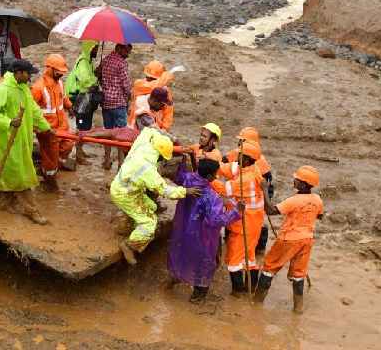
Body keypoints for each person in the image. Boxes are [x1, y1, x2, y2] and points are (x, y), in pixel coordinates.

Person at [110, 127, 198, 265]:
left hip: (124, 184)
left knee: (152, 206)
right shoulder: (148, 169)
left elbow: (150, 129)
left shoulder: (145, 141)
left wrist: (172, 139)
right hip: (125, 194)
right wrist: (185, 191)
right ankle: (130, 245)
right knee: (150, 223)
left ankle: (131, 224)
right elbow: (165, 191)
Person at [0, 59, 52, 224]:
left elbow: (33, 109)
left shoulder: (22, 88)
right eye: (28, 74)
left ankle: (4, 204)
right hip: (6, 140)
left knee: (11, 175)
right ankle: (32, 210)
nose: (30, 78)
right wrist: (9, 122)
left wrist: (46, 127)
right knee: (22, 176)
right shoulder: (2, 89)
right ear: (19, 72)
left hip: (21, 139)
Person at [167, 158, 241, 303]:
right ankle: (198, 296)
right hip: (202, 236)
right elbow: (217, 220)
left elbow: (177, 175)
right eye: (215, 175)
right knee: (205, 263)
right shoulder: (211, 197)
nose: (216, 177)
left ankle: (174, 279)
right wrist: (236, 211)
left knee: (180, 253)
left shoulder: (187, 179)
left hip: (183, 230)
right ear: (209, 177)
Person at [258, 165, 324, 313]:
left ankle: (256, 303)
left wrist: (264, 190)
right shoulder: (317, 199)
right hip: (307, 240)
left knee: (269, 267)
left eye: (297, 179)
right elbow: (320, 215)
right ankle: (298, 308)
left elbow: (270, 210)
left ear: (304, 183)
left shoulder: (293, 200)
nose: (294, 180)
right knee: (299, 274)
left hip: (289, 239)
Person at [212, 135, 267, 295]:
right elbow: (229, 169)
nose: (237, 158)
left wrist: (208, 179)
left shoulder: (247, 178)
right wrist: (213, 164)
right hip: (253, 224)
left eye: (240, 156)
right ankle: (252, 287)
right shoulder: (252, 168)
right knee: (249, 257)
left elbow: (224, 190)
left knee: (234, 260)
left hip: (244, 225)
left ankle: (238, 291)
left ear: (248, 159)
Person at [224, 126, 274, 251]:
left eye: (241, 140)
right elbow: (224, 161)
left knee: (255, 218)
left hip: (255, 193)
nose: (238, 143)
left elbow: (266, 181)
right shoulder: (236, 153)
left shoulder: (261, 161)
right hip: (240, 188)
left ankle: (258, 245)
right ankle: (233, 238)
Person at [32, 54, 74, 191]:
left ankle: (50, 168)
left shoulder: (60, 83)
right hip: (48, 129)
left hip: (62, 126)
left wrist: (70, 106)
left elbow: (64, 98)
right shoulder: (39, 87)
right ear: (50, 69)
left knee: (68, 145)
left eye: (62, 73)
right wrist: (36, 127)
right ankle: (50, 181)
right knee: (51, 156)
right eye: (58, 72)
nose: (61, 75)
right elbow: (30, 109)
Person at [64, 41, 100, 133]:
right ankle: (79, 141)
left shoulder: (88, 61)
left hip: (84, 97)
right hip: (80, 97)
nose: (97, 51)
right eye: (95, 48)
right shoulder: (83, 61)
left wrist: (95, 74)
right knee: (81, 121)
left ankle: (80, 141)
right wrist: (96, 79)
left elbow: (88, 77)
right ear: (89, 48)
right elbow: (85, 80)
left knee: (84, 120)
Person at [127, 60, 174, 130]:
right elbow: (153, 86)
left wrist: (164, 129)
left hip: (154, 128)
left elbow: (168, 113)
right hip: (134, 126)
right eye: (151, 78)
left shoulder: (165, 90)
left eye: (154, 79)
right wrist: (168, 75)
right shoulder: (139, 84)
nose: (151, 80)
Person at [100, 43, 132, 129]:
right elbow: (126, 85)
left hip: (105, 102)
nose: (128, 55)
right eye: (126, 52)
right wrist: (129, 97)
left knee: (108, 131)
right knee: (121, 133)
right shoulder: (122, 63)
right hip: (118, 103)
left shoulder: (105, 60)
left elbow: (98, 75)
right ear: (119, 48)